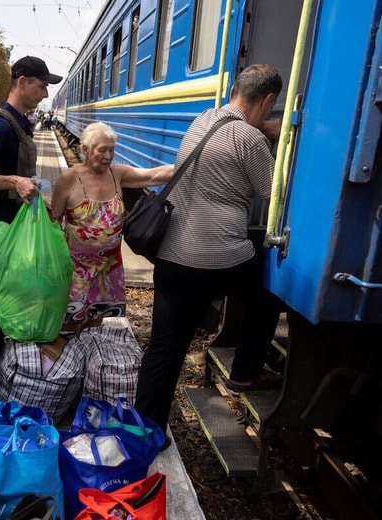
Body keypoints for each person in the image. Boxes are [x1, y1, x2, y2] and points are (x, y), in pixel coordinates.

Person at [134, 64, 284, 439]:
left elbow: (234, 131)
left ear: (234, 89)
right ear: (267, 101)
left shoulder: (204, 119)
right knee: (267, 294)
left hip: (171, 255)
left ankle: (144, 429)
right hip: (219, 259)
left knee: (164, 349)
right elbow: (271, 193)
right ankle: (244, 374)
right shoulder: (250, 141)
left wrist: (260, 127)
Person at [50, 122, 173, 334]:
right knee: (68, 325)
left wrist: (193, 158)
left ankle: (88, 358)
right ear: (86, 150)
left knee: (94, 323)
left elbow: (153, 175)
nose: (108, 156)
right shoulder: (68, 178)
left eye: (112, 150)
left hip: (108, 269)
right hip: (76, 270)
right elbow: (55, 221)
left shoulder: (118, 174)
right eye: (102, 150)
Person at [0, 55, 62, 308]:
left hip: (10, 220)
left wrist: (36, 195)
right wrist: (15, 182)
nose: (45, 93)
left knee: (8, 294)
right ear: (22, 83)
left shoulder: (19, 124)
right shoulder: (0, 126)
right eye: (41, 85)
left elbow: (17, 171)